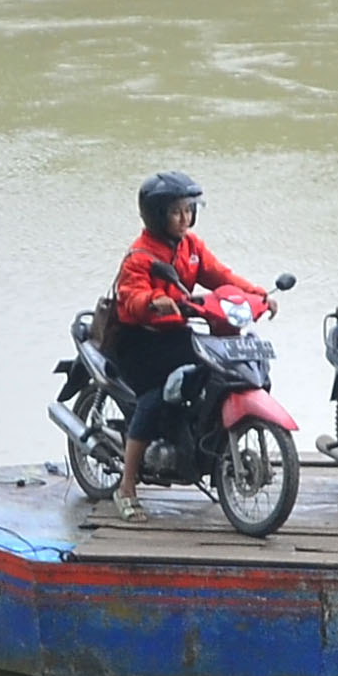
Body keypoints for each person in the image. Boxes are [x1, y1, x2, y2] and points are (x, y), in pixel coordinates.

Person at [107, 168, 268, 476]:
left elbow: (220, 276)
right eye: (176, 212)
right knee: (155, 398)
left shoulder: (191, 246)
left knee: (218, 370)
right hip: (140, 339)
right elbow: (132, 295)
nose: (185, 218)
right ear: (157, 216)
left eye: (189, 210)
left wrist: (256, 294)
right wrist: (153, 300)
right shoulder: (139, 256)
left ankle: (198, 438)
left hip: (177, 333)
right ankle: (127, 485)